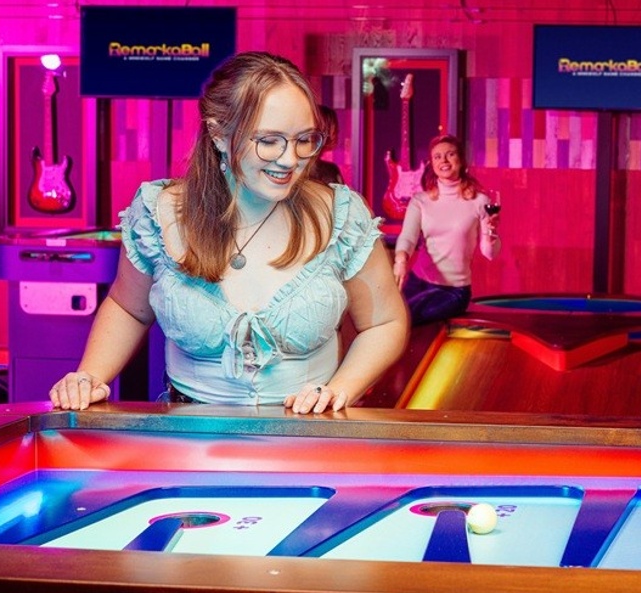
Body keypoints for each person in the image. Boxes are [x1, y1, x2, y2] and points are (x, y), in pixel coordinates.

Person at [49, 51, 409, 414]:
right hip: (190, 442)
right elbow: (129, 308)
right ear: (218, 132)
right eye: (269, 140)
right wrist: (90, 375)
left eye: (304, 139)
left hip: (309, 440)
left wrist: (339, 390)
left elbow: (385, 323)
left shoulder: (341, 216)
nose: (290, 160)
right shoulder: (159, 212)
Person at [392, 134, 500, 325]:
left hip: (455, 290)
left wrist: (492, 235)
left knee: (413, 320)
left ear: (461, 159)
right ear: (432, 164)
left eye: (450, 154)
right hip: (419, 282)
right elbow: (408, 237)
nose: (444, 160)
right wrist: (401, 260)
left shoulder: (479, 201)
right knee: (395, 321)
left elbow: (489, 253)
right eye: (437, 156)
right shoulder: (420, 201)